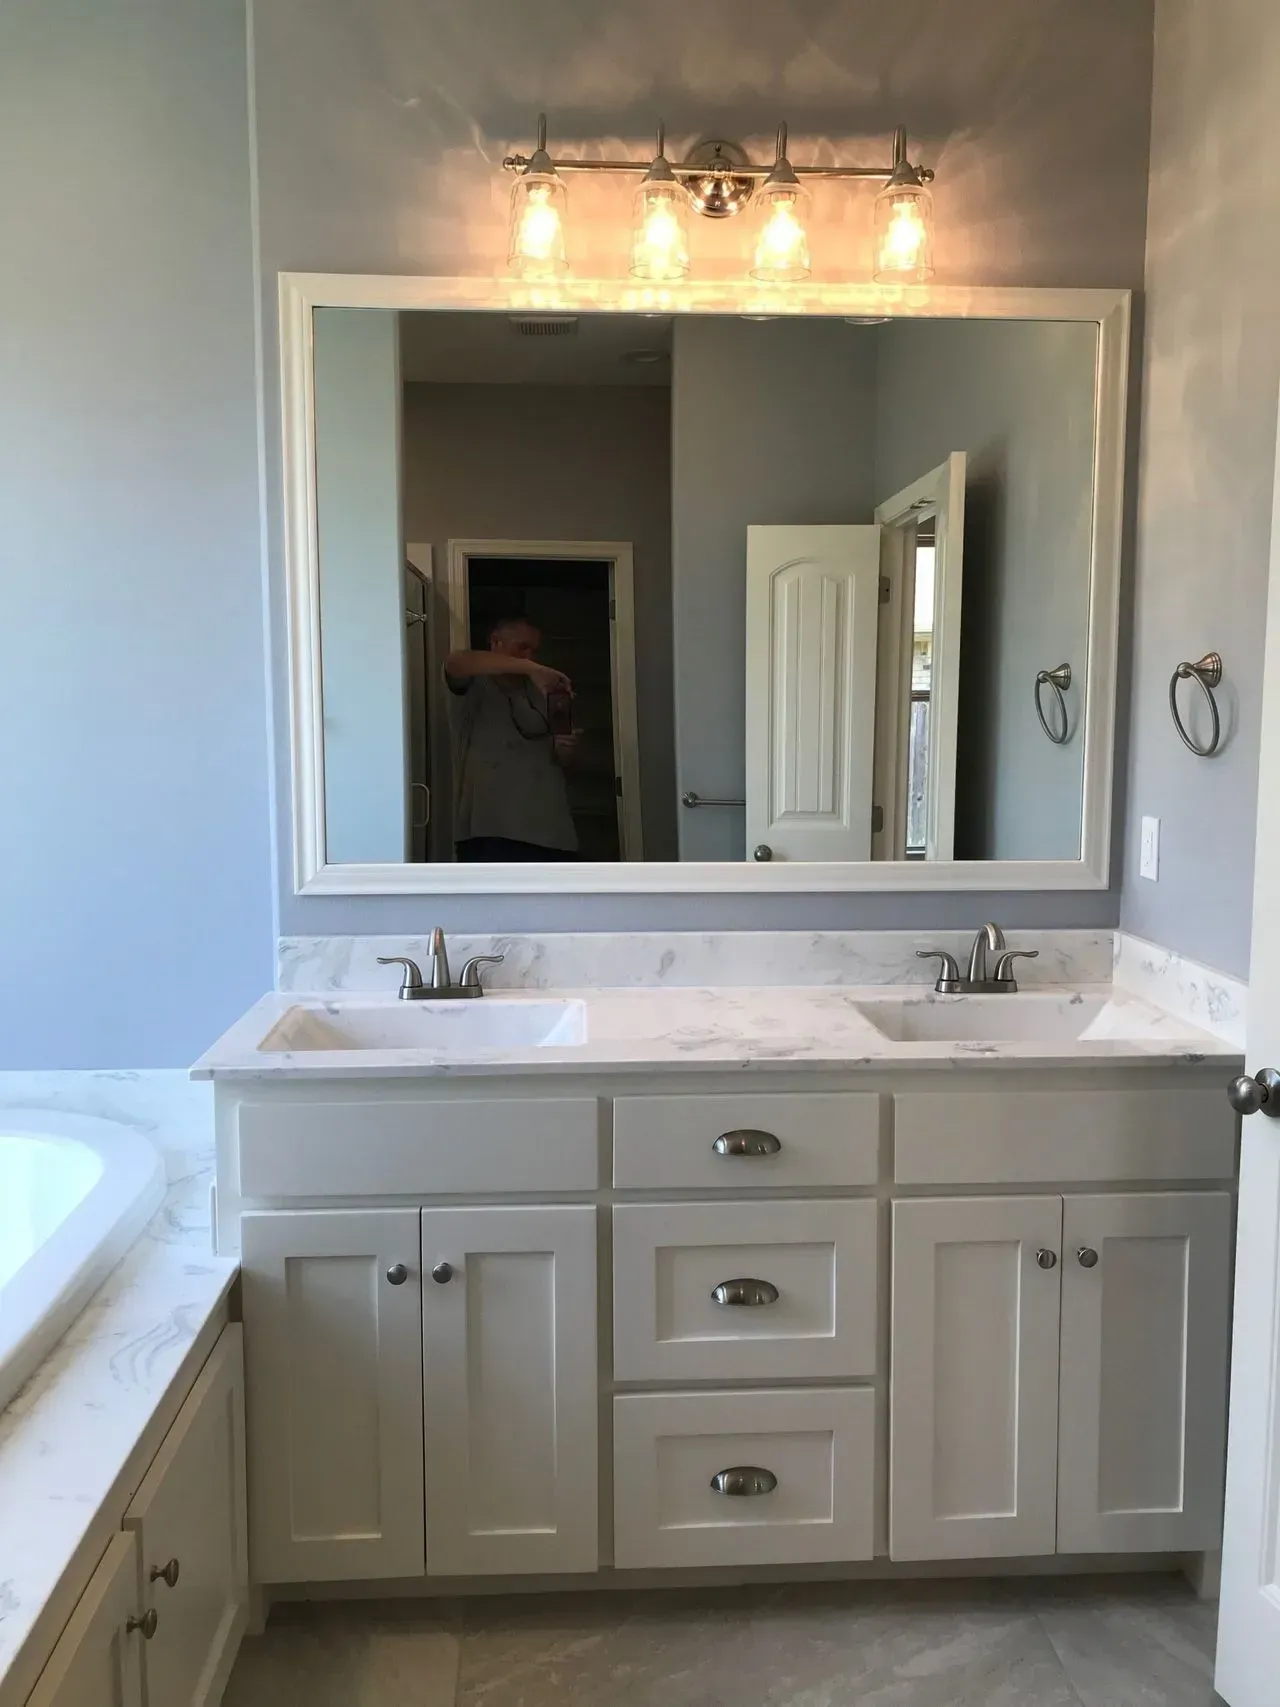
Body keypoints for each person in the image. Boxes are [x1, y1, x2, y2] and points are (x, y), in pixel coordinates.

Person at [444, 615, 579, 861]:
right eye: (522, 647)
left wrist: (566, 749)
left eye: (534, 651)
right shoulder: (474, 684)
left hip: (552, 831)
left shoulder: (545, 691)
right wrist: (534, 669)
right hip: (490, 830)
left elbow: (566, 760)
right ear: (496, 641)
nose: (530, 656)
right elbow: (456, 662)